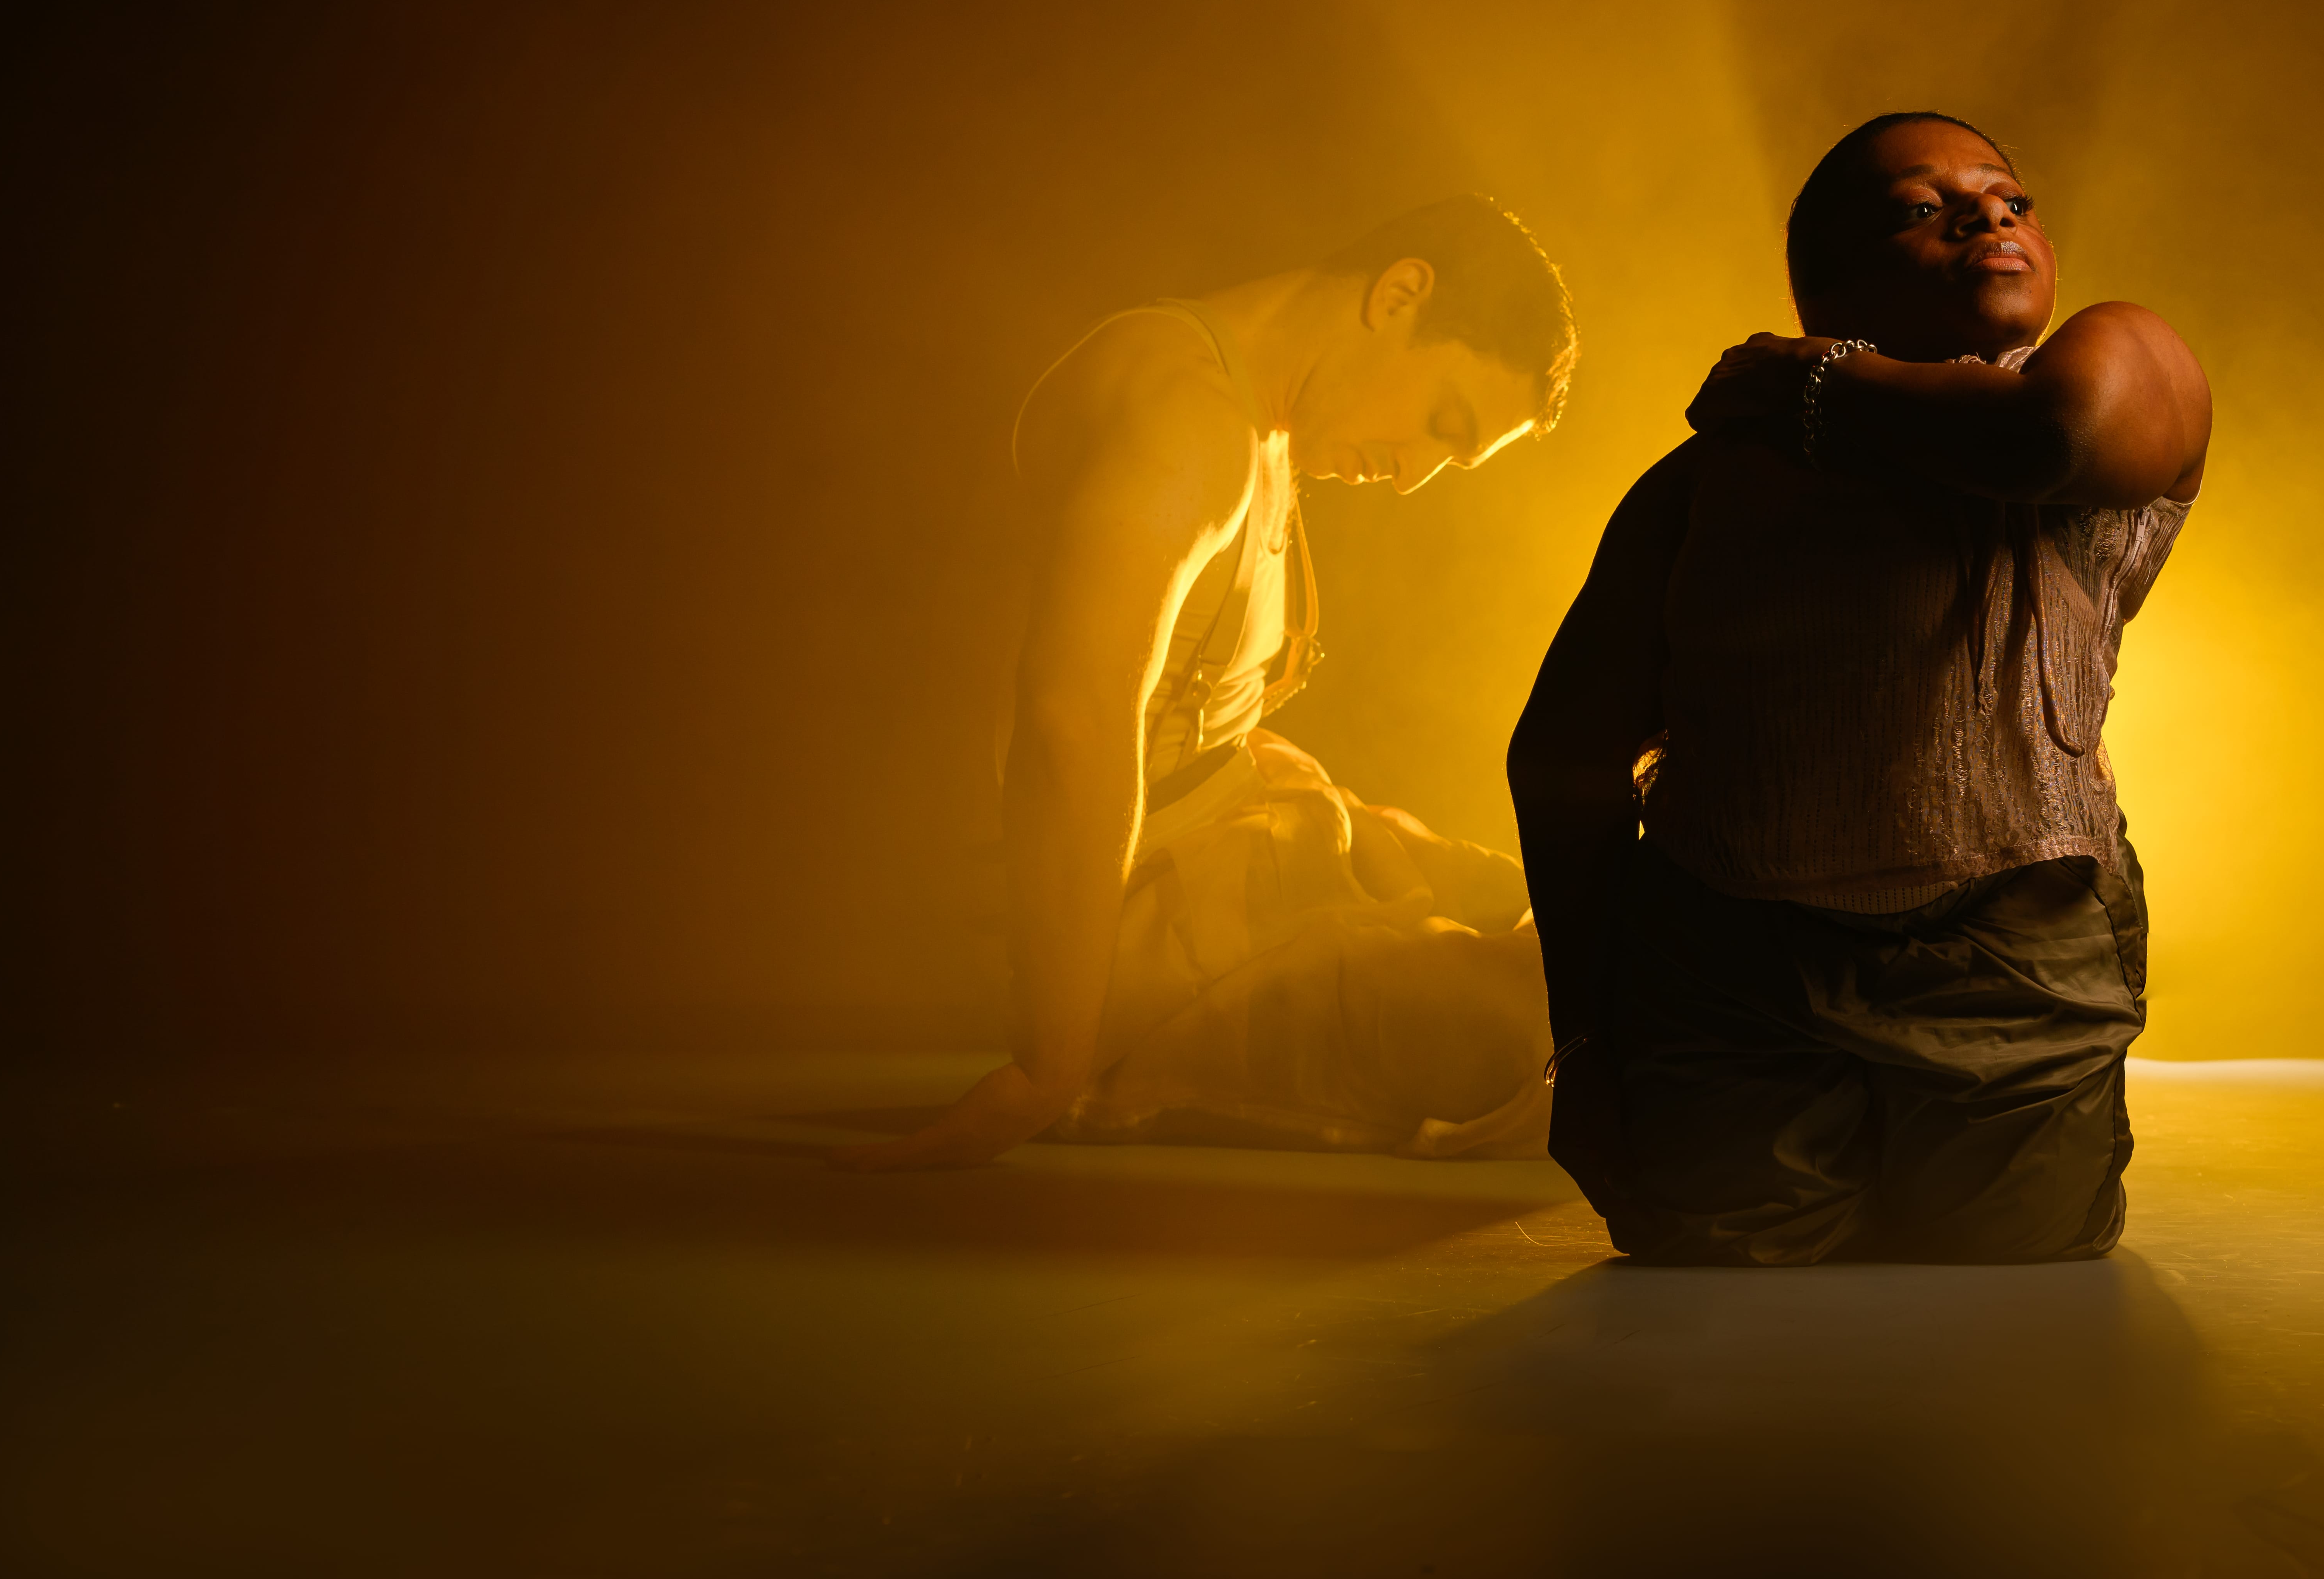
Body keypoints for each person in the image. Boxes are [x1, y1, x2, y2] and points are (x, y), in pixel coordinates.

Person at [1509, 113, 2211, 1264]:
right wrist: (1588, 1037)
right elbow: (1563, 754)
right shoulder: (1712, 482)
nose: (1988, 214)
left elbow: (2050, 440)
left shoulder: (2118, 363)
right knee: (1715, 1248)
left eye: (2008, 198)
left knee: (2009, 1248)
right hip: (1736, 953)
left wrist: (1814, 378)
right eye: (1920, 210)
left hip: (2015, 949)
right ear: (1826, 292)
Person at [839, 196, 1576, 1172]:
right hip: (1109, 920)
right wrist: (1050, 1066)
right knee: (1563, 1033)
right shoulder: (1187, 419)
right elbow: (1075, 717)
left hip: (1230, 835)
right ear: (1401, 293)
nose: (1415, 477)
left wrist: (1356, 834)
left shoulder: (1259, 417)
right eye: (1442, 423)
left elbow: (1190, 716)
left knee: (1595, 919)